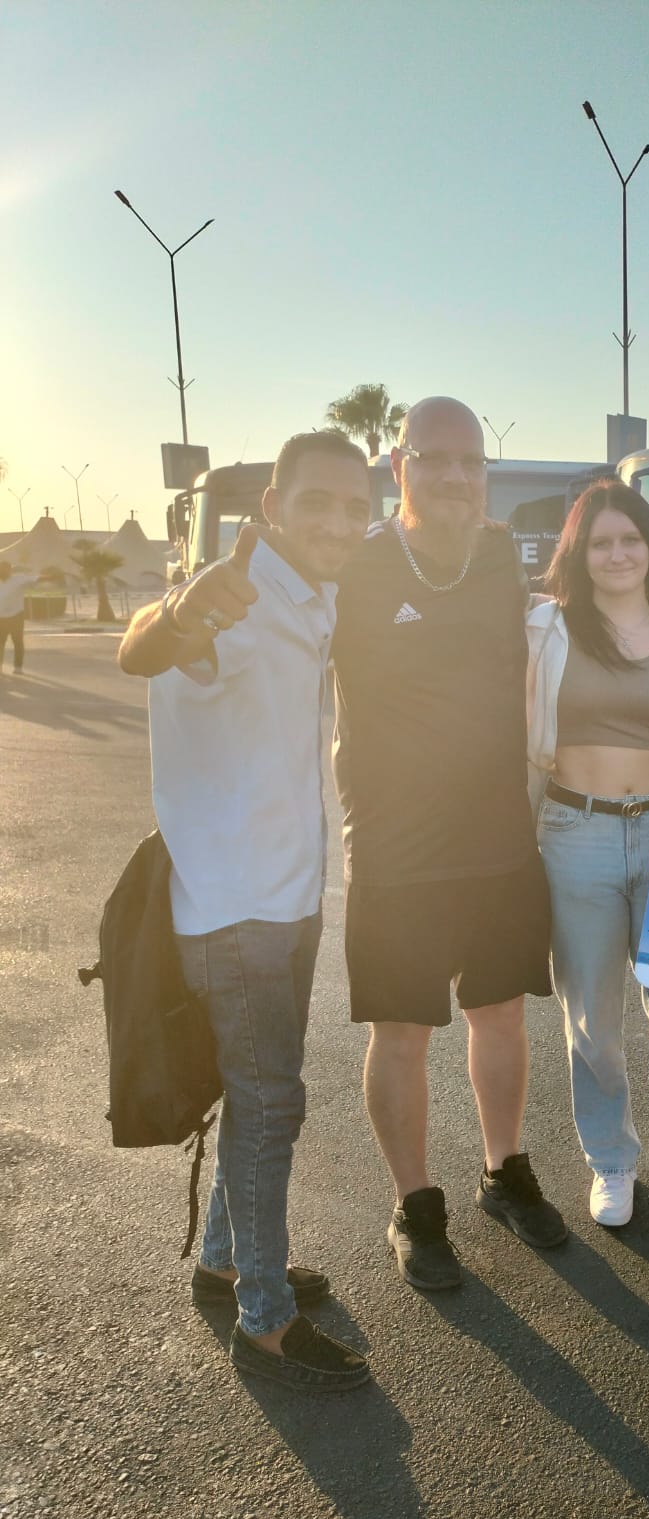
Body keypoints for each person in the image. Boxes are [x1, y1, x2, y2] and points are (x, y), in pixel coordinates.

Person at [117, 429, 372, 1392]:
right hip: (237, 908)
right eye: (317, 503)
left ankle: (227, 1262)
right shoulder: (231, 599)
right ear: (272, 507)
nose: (339, 522)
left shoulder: (314, 596)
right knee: (270, 1105)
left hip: (288, 894)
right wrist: (182, 608)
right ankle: (264, 1321)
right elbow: (147, 645)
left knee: (257, 1092)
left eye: (355, 507)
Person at [333, 396, 566, 1292]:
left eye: (472, 462)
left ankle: (503, 1172)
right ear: (400, 466)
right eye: (436, 459)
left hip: (500, 837)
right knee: (400, 1032)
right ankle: (414, 1206)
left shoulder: (502, 560)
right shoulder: (357, 568)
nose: (457, 476)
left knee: (500, 1014)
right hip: (395, 847)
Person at [526, 479, 649, 1226]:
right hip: (573, 832)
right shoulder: (545, 629)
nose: (617, 554)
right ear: (578, 553)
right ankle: (611, 1158)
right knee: (592, 1017)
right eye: (600, 542)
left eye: (630, 539)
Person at [0, 560, 39, 674]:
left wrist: (51, 576)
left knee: (17, 642)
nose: (2, 571)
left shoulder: (18, 579)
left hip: (16, 616)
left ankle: (18, 667)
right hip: (1, 618)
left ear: (9, 570)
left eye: (4, 569)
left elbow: (35, 579)